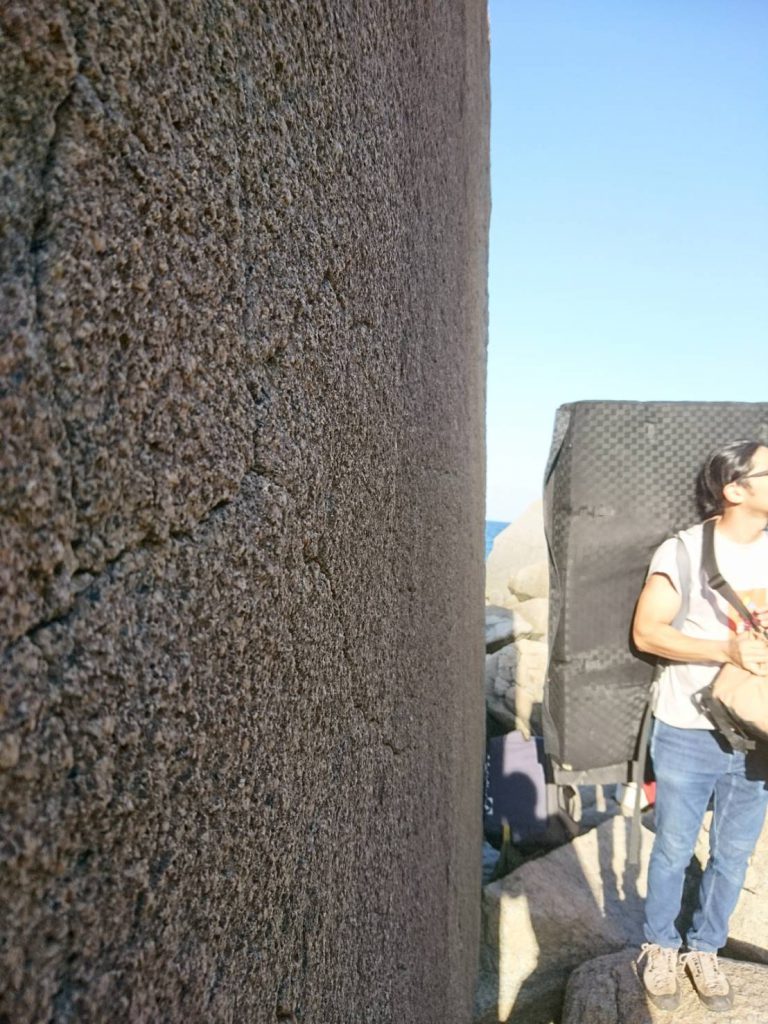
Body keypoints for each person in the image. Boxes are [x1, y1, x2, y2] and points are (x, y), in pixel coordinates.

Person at [632, 438, 768, 1013]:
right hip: (690, 724)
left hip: (759, 730)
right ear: (735, 489)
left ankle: (705, 949)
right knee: (673, 846)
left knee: (734, 854)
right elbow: (647, 633)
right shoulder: (684, 551)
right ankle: (660, 945)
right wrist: (726, 650)